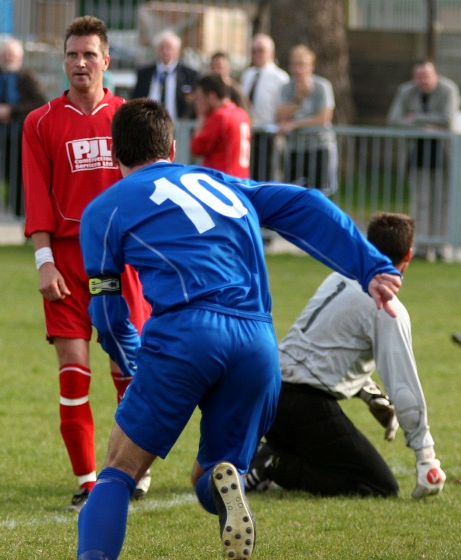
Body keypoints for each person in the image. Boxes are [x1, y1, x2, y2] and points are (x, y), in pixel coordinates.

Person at [76, 97, 402, 560]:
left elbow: (107, 311)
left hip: (188, 334)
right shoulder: (218, 182)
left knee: (118, 469)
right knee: (213, 470)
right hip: (257, 343)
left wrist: (129, 358)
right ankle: (225, 485)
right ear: (172, 146)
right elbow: (306, 203)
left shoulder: (104, 209)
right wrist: (370, 266)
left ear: (114, 154)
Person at [21, 16, 152, 512]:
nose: (80, 63)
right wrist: (43, 262)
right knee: (74, 371)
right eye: (72, 55)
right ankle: (88, 480)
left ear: (106, 61)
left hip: (122, 261)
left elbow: (147, 188)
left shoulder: (129, 118)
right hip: (68, 264)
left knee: (129, 371)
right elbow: (36, 199)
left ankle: (133, 471)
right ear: (64, 60)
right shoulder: (40, 122)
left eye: (89, 55)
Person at [245, 212, 446, 499]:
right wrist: (426, 456)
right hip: (300, 402)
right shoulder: (388, 307)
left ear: (368, 245)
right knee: (379, 486)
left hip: (269, 392)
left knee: (333, 454)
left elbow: (325, 349)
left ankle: (273, 453)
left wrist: (367, 392)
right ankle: (273, 464)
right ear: (409, 256)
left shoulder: (340, 276)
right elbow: (404, 388)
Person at [387, 60, 460, 261]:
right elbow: (394, 119)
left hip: (444, 157)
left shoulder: (448, 89)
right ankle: (422, 246)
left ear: (435, 75)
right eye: (419, 77)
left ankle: (440, 246)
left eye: (427, 76)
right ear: (414, 77)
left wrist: (414, 118)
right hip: (416, 157)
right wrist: (427, 127)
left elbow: (447, 119)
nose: (423, 80)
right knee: (421, 202)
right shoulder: (406, 91)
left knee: (442, 202)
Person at [0, 37, 46, 216]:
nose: (8, 58)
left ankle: (19, 214)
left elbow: (39, 103)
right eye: (5, 54)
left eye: (12, 55)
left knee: (19, 175)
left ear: (20, 58)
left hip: (19, 134)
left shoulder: (28, 77)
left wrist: (12, 111)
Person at [277, 44, 338, 196]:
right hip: (295, 148)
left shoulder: (322, 86)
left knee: (320, 194)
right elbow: (281, 117)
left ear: (311, 66)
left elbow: (324, 118)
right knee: (294, 192)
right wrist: (298, 99)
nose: (299, 69)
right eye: (295, 65)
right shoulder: (287, 88)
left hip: (319, 146)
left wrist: (295, 124)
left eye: (302, 65)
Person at [240, 33, 289, 181]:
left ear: (271, 53)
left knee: (266, 177)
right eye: (254, 50)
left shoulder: (280, 77)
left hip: (268, 134)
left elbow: (283, 108)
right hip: (249, 133)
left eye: (261, 50)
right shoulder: (248, 74)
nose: (257, 54)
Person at [191, 73, 251, 178]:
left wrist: (200, 121)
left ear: (211, 96)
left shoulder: (219, 116)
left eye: (199, 98)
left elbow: (197, 147)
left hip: (223, 180)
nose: (197, 104)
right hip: (241, 178)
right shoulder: (242, 113)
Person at [131, 29, 199, 121]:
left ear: (177, 51)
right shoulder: (144, 73)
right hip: (149, 126)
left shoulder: (190, 75)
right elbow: (135, 99)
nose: (165, 52)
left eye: (169, 48)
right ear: (156, 50)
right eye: (162, 48)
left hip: (179, 128)